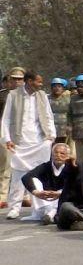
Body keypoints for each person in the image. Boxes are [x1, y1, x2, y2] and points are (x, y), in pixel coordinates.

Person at [1, 70, 57, 219]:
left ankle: (42, 207)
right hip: (19, 142)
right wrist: (7, 138)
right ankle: (15, 207)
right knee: (18, 174)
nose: (41, 84)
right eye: (38, 81)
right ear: (29, 81)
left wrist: (51, 136)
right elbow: (5, 119)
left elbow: (49, 117)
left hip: (39, 141)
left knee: (39, 175)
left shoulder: (42, 96)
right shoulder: (13, 95)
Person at [20, 143, 70, 224]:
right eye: (56, 153)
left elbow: (76, 186)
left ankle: (50, 215)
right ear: (52, 154)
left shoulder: (71, 168)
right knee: (34, 180)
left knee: (69, 190)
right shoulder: (46, 166)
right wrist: (37, 193)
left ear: (67, 156)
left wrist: (60, 193)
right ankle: (48, 214)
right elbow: (26, 177)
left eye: (62, 153)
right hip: (45, 198)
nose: (58, 155)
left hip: (61, 199)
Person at [0, 67, 26, 207]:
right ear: (8, 80)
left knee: (26, 164)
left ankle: (26, 195)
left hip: (25, 133)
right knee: (6, 165)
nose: (17, 82)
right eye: (14, 79)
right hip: (5, 133)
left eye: (20, 79)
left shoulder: (29, 96)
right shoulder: (3, 95)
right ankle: (3, 196)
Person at [49, 78, 70, 144]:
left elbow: (71, 113)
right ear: (51, 88)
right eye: (54, 86)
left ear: (63, 88)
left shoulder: (68, 99)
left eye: (59, 86)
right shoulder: (46, 99)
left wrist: (70, 125)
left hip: (64, 130)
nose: (57, 88)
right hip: (51, 129)